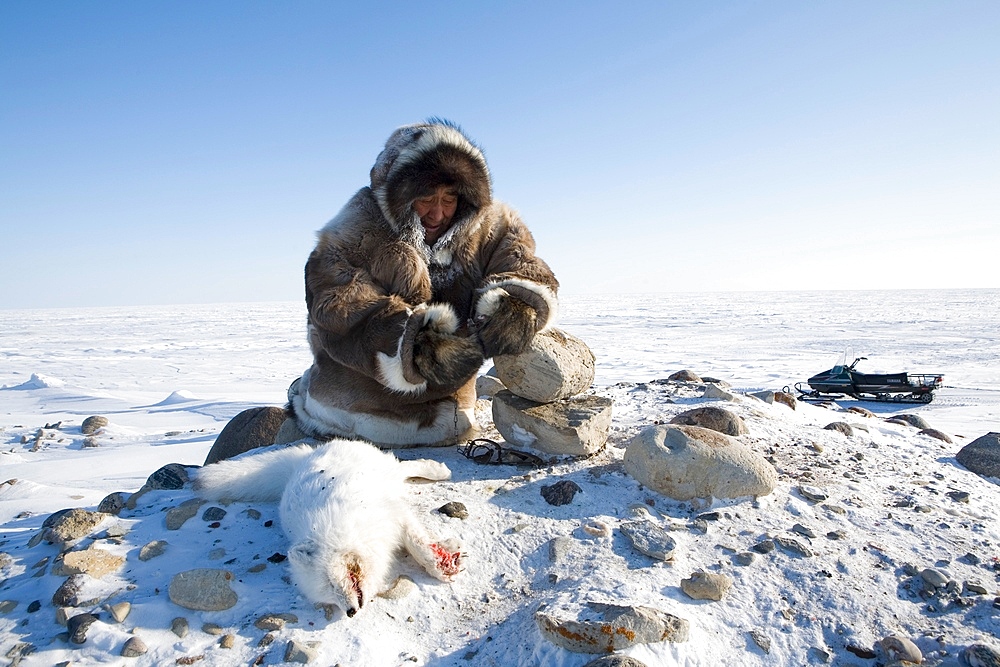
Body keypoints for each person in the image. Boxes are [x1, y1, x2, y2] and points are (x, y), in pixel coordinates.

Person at [282, 119, 559, 448]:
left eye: (450, 198)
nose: (438, 214)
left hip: (450, 413)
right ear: (398, 196)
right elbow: (336, 303)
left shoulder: (490, 225)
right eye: (425, 198)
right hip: (356, 409)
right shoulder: (359, 225)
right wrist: (415, 344)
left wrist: (514, 305)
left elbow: (520, 261)